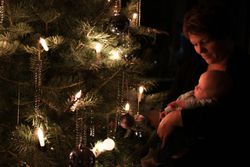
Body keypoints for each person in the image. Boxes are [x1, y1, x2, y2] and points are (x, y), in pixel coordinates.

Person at [155, 3, 248, 167]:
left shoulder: (241, 68)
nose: (200, 50)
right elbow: (170, 100)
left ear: (224, 36)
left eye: (205, 41)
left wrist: (181, 118)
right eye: (194, 44)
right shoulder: (192, 65)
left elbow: (233, 118)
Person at [161, 70, 232, 117]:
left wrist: (178, 103)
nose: (195, 87)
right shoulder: (194, 94)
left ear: (211, 96)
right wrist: (167, 111)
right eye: (198, 84)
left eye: (200, 88)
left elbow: (193, 104)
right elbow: (179, 100)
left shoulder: (207, 102)